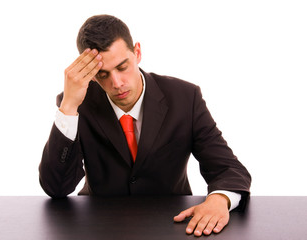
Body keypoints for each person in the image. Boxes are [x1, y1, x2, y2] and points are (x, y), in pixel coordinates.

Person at [39, 14, 251, 237]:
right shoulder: (79, 103)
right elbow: (56, 188)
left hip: (173, 224)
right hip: (98, 225)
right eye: (103, 75)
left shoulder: (185, 98)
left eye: (122, 67)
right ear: (90, 74)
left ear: (137, 53)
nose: (117, 83)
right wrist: (69, 106)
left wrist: (219, 200)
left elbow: (229, 168)